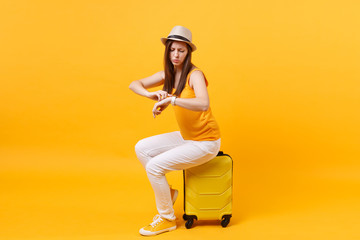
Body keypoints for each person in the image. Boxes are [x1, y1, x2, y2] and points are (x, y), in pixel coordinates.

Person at [129, 25, 221, 236]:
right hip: (187, 137)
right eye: (172, 49)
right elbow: (134, 84)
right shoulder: (168, 75)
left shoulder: (194, 74)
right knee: (141, 148)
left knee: (154, 167)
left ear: (188, 52)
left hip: (206, 142)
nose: (176, 55)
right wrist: (150, 95)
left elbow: (204, 103)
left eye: (181, 50)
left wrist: (173, 100)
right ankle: (168, 194)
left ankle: (167, 218)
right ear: (167, 51)